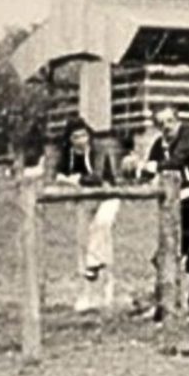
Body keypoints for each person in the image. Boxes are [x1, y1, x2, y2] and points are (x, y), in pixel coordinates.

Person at [140, 104, 189, 314]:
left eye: (170, 121)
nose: (166, 127)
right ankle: (165, 297)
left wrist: (153, 167)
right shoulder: (159, 145)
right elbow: (146, 172)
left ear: (178, 120)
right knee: (170, 249)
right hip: (177, 202)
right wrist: (136, 168)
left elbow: (178, 159)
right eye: (161, 123)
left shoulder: (188, 135)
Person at [53, 117, 120, 312]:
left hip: (109, 196)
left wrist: (77, 178)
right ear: (70, 139)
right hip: (85, 200)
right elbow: (57, 174)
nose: (81, 140)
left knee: (102, 225)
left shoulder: (98, 149)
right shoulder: (67, 154)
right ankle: (87, 295)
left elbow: (98, 176)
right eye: (76, 137)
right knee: (84, 242)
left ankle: (103, 282)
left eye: (84, 135)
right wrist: (68, 180)